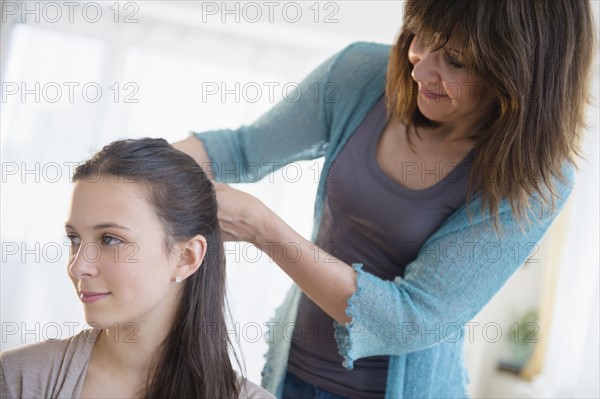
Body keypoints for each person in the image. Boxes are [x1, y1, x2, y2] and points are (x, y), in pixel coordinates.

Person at [172, 1, 596, 397]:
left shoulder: (535, 181)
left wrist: (264, 230)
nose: (419, 68)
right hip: (291, 375)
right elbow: (242, 150)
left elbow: (411, 319)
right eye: (421, 36)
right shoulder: (360, 75)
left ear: (521, 73)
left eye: (456, 59)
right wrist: (124, 167)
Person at [0, 138, 274, 398]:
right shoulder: (17, 380)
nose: (78, 266)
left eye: (110, 239)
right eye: (74, 238)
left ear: (186, 257)